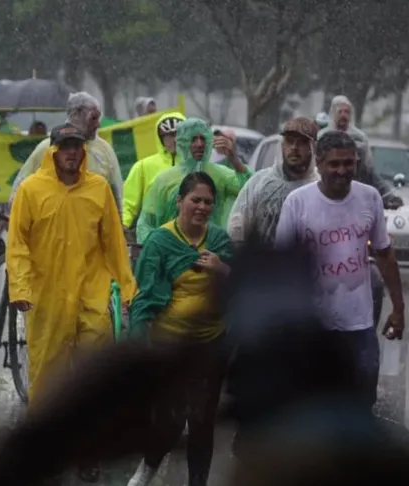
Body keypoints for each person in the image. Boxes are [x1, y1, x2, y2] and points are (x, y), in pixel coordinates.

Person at [7, 124, 136, 481]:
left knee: (92, 377)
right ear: (52, 151)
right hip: (46, 298)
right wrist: (19, 287)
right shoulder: (32, 190)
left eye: (77, 147)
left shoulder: (98, 189)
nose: (72, 153)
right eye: (65, 147)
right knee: (47, 378)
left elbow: (114, 242)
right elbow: (16, 242)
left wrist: (127, 287)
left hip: (90, 294)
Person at [275, 131, 405, 410]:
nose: (342, 170)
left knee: (361, 402)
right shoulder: (298, 203)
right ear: (319, 165)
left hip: (358, 324)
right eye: (334, 164)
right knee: (312, 405)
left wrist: (398, 308)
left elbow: (383, 254)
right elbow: (281, 267)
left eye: (348, 163)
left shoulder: (369, 198)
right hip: (312, 326)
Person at [125, 172, 233, 486]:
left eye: (208, 202)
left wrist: (222, 269)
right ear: (180, 202)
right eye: (195, 200)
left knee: (202, 416)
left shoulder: (220, 242)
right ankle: (147, 468)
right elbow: (144, 296)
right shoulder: (160, 241)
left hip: (211, 342)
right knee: (170, 419)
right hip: (168, 343)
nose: (202, 207)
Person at [136, 118, 251, 243]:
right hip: (173, 255)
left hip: (210, 251)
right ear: (182, 142)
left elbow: (252, 191)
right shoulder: (164, 180)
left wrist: (235, 160)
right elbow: (146, 223)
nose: (199, 144)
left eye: (203, 139)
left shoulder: (221, 175)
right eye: (193, 139)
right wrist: (157, 248)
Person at [11, 92, 123, 209]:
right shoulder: (48, 148)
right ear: (75, 114)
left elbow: (117, 193)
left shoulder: (104, 149)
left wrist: (120, 223)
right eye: (93, 118)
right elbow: (18, 192)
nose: (98, 124)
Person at [228, 116, 319, 247]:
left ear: (313, 147)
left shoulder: (319, 186)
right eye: (289, 141)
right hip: (262, 264)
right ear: (282, 144)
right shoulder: (260, 182)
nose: (294, 147)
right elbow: (237, 228)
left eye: (302, 142)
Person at [123, 111, 186, 230]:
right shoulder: (142, 166)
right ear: (160, 137)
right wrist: (123, 224)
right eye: (170, 135)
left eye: (179, 134)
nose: (175, 140)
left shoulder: (196, 165)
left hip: (189, 234)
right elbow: (128, 202)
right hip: (152, 233)